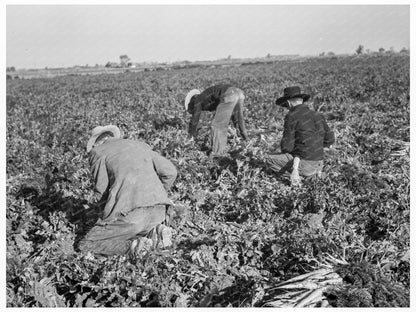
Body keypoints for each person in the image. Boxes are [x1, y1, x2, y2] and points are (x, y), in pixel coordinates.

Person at [78, 125, 178, 258]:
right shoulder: (140, 145)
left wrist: (103, 219)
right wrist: (157, 195)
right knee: (137, 227)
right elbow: (171, 172)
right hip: (159, 212)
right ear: (111, 136)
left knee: (86, 244)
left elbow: (101, 192)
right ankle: (157, 231)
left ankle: (134, 247)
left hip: (131, 217)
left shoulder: (98, 152)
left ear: (96, 142)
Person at [266, 86, 335, 183]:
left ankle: (299, 177)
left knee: (269, 158)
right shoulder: (317, 115)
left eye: (286, 105)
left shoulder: (291, 116)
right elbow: (330, 139)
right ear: (302, 100)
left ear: (288, 103)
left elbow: (287, 147)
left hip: (304, 164)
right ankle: (313, 175)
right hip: (320, 162)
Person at [184, 84, 248, 157]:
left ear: (192, 101)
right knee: (239, 119)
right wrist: (235, 122)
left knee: (218, 125)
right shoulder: (207, 97)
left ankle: (217, 154)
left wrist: (191, 135)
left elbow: (195, 119)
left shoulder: (197, 99)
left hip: (229, 94)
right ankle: (247, 142)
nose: (193, 108)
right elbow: (231, 111)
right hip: (238, 92)